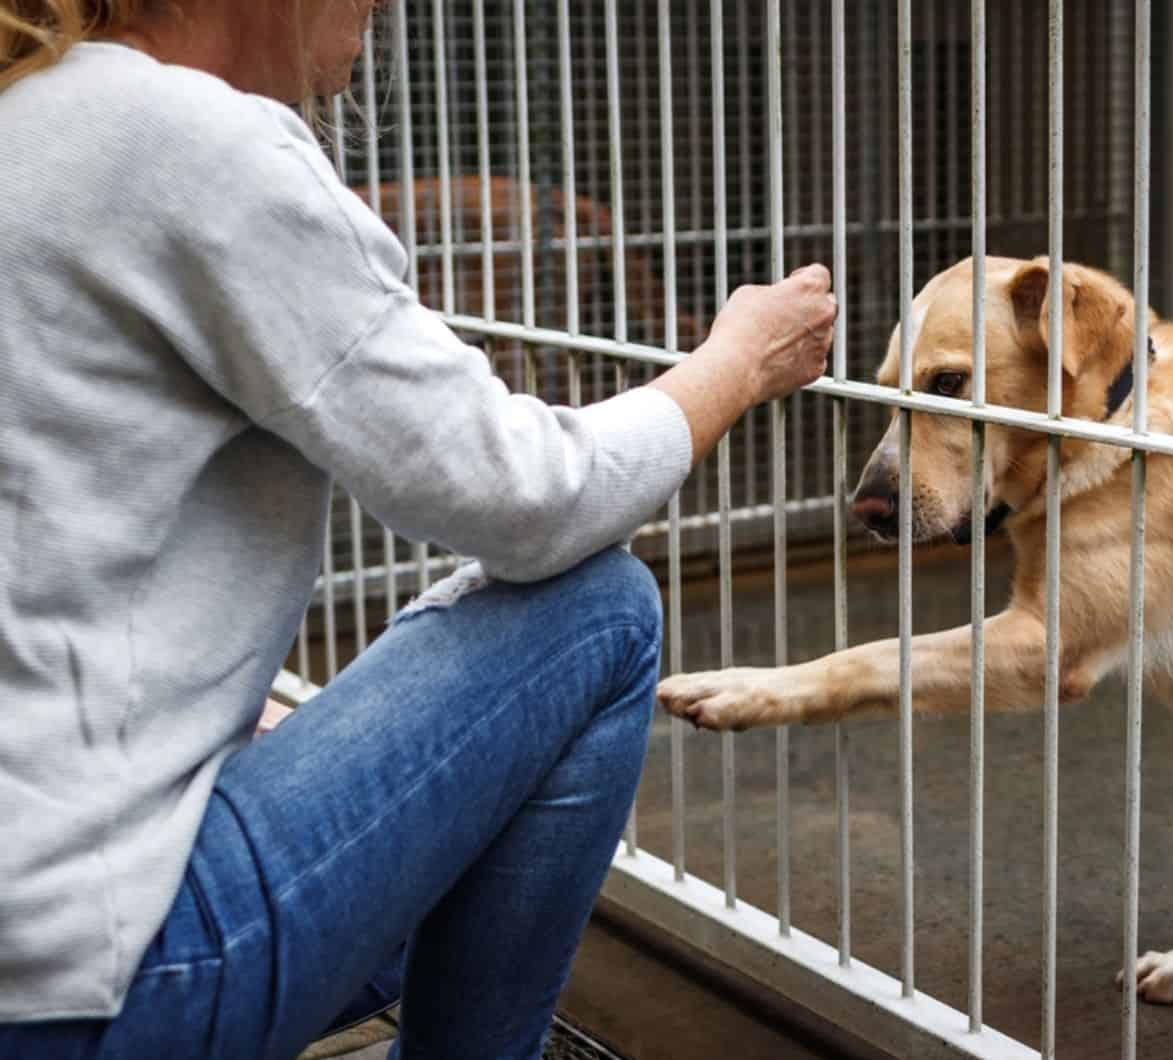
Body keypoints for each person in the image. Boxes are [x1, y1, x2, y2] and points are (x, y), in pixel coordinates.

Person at [0, 2, 837, 1057]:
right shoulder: (195, 142)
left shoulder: (24, 119)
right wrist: (737, 361)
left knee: (453, 817)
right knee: (593, 610)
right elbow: (528, 499)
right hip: (89, 978)